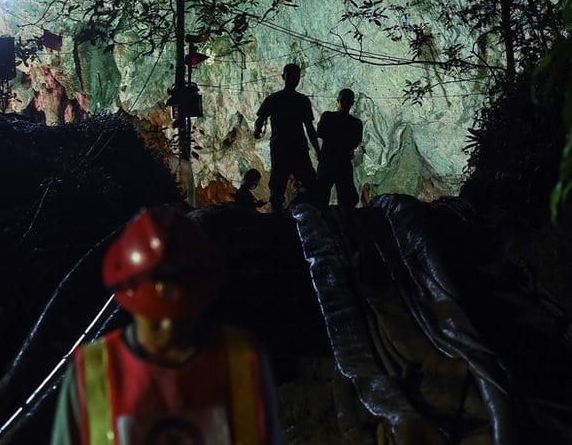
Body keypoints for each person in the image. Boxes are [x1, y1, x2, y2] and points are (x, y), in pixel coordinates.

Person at [50, 206, 282, 445]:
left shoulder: (242, 360)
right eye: (155, 319)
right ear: (132, 305)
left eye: (184, 316)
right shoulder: (92, 373)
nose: (170, 327)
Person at [253, 64, 320, 213]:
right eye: (291, 76)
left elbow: (309, 128)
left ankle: (290, 215)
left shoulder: (277, 99)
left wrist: (257, 129)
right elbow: (309, 128)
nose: (293, 79)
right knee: (284, 185)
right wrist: (317, 150)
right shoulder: (299, 101)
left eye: (295, 76)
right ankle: (296, 214)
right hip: (289, 147)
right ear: (284, 77)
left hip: (285, 147)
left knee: (283, 185)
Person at [315, 88, 363, 209]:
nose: (345, 103)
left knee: (342, 198)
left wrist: (334, 135)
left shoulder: (329, 117)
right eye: (343, 100)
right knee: (323, 195)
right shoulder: (354, 123)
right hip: (336, 161)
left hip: (335, 161)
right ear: (338, 101)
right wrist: (343, 138)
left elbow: (321, 132)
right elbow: (354, 142)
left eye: (348, 101)